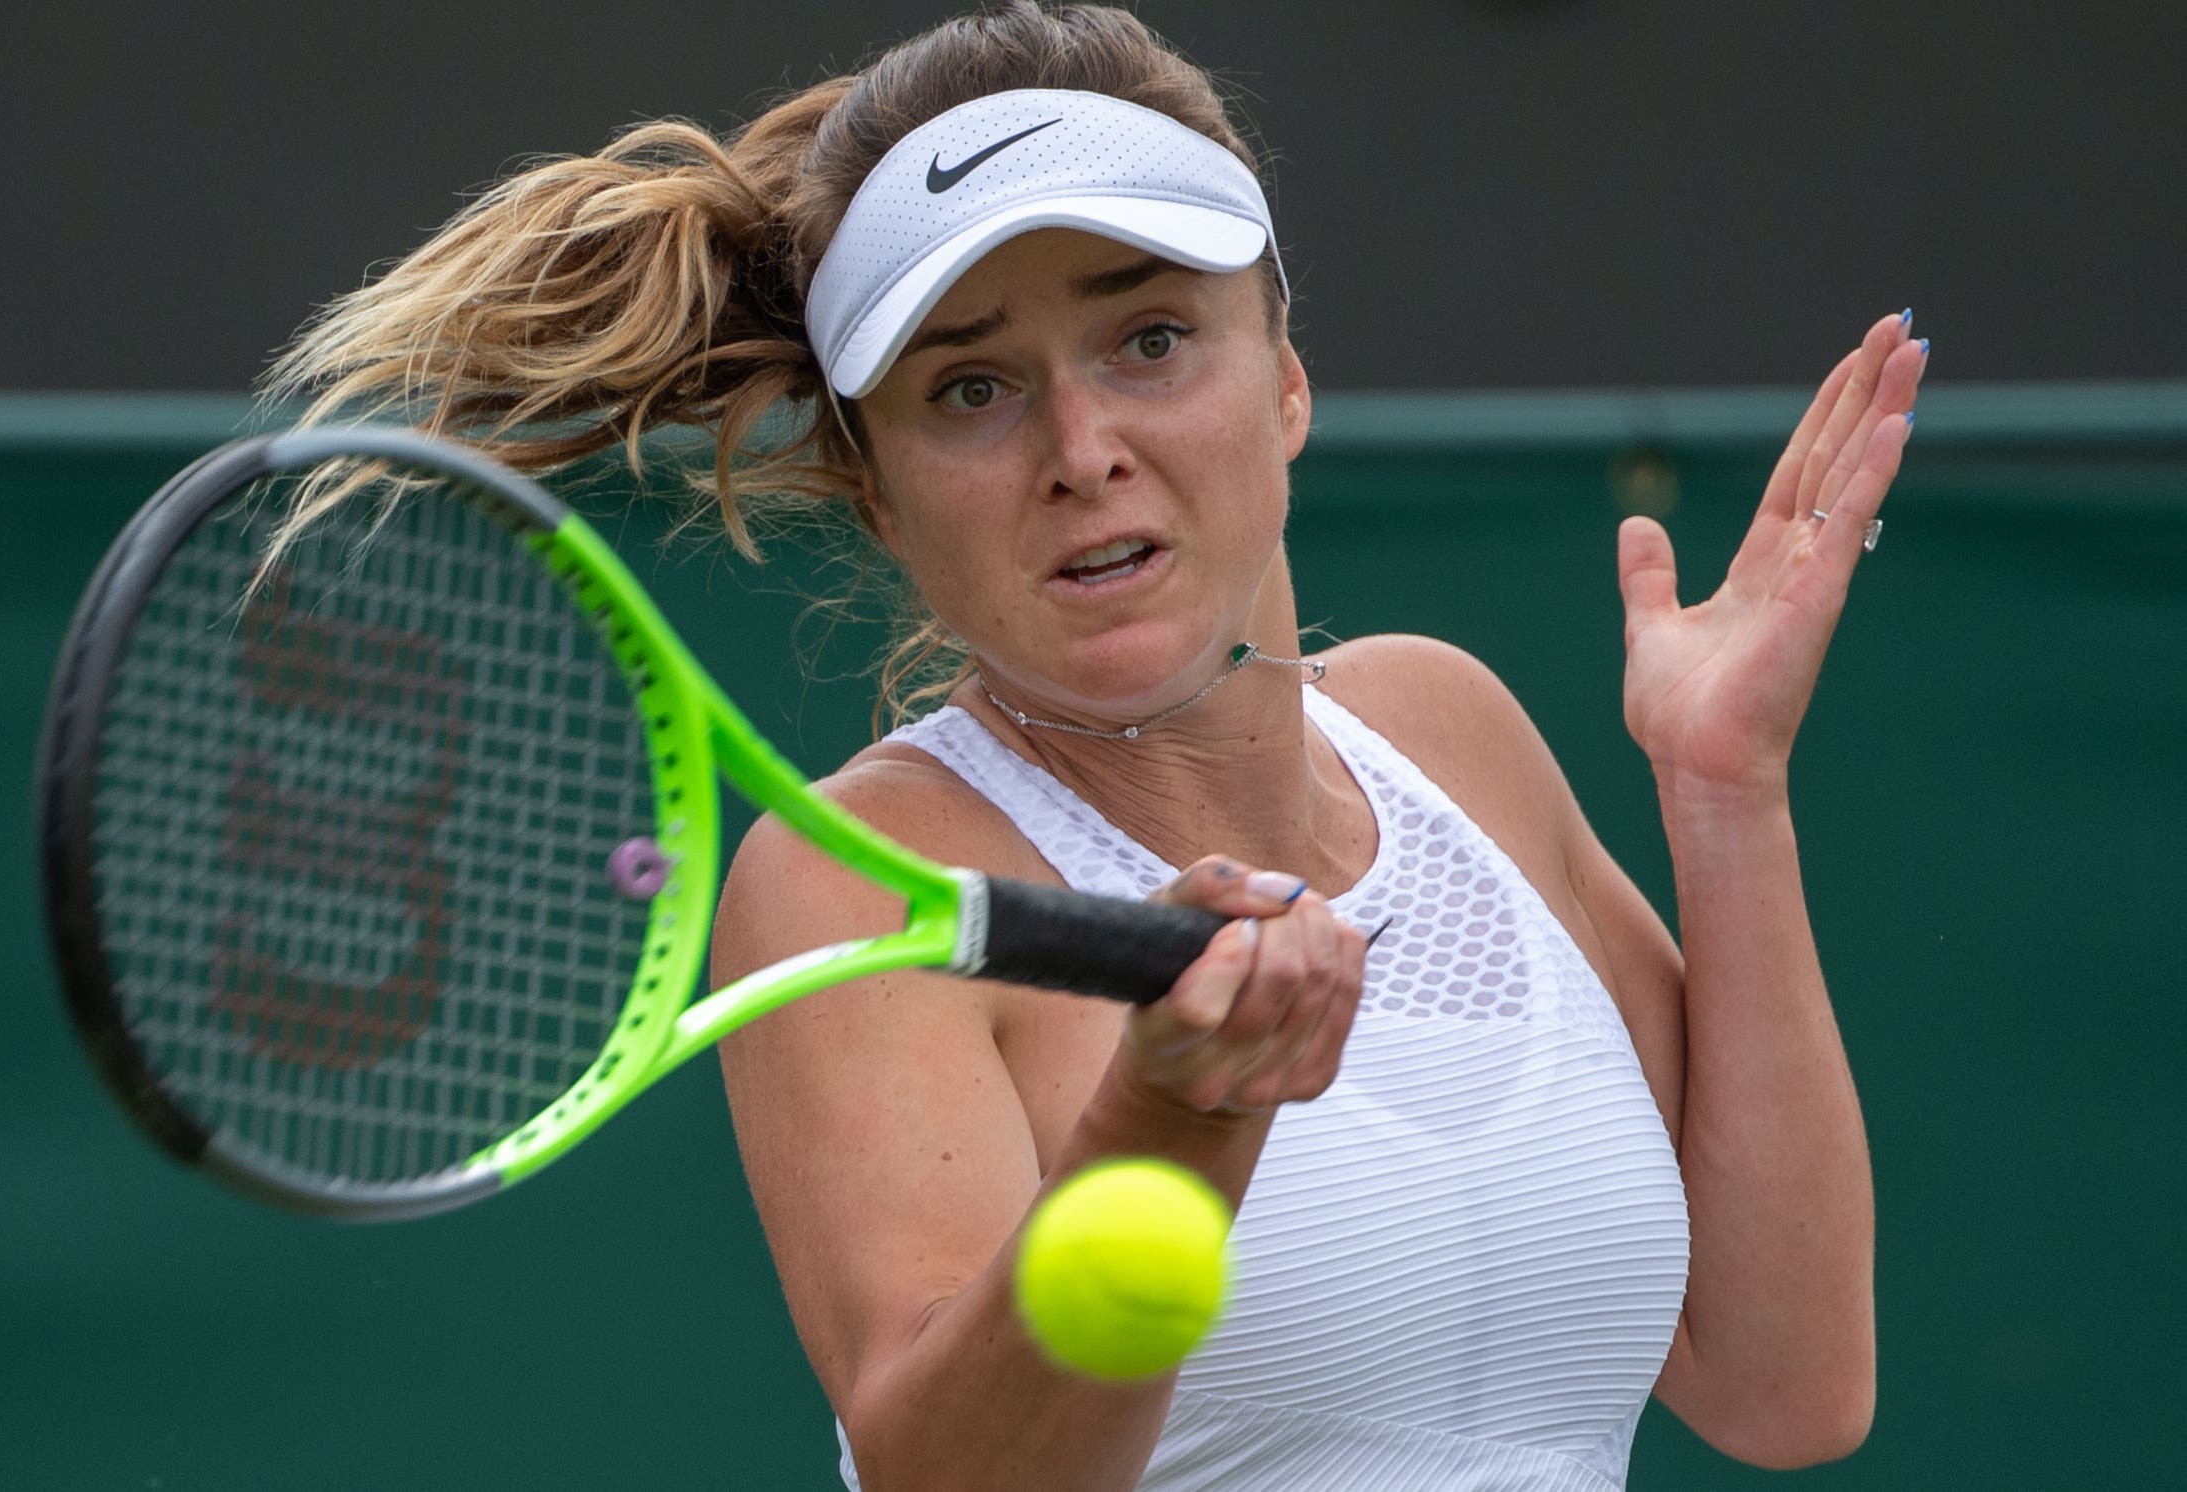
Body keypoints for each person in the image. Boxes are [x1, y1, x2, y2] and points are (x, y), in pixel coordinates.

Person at [269, 5, 1918, 1486]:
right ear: (878, 496)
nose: (1081, 450)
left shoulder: (1445, 726)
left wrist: (1724, 797)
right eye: (969, 392)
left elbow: (1784, 1387)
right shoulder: (861, 887)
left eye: (1148, 340)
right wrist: (1178, 1117)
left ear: (1280, 380)